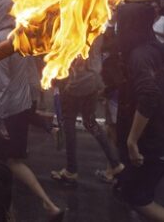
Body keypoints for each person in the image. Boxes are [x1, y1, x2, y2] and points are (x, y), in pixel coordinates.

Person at [0, 0, 63, 221]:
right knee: (12, 161)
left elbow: (0, 82)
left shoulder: (0, 39)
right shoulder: (20, 34)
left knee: (5, 163)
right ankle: (33, 206)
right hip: (21, 106)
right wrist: (32, 103)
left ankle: (20, 209)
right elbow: (31, 75)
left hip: (5, 110)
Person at [114, 3, 164, 222]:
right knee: (130, 190)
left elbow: (149, 95)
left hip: (156, 140)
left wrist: (132, 141)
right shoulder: (151, 46)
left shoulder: (140, 55)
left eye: (120, 22)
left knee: (138, 199)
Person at [50, 38, 124, 184]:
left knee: (69, 122)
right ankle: (116, 164)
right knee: (90, 122)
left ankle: (71, 169)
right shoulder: (96, 20)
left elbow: (70, 55)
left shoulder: (75, 21)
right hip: (93, 80)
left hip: (76, 81)